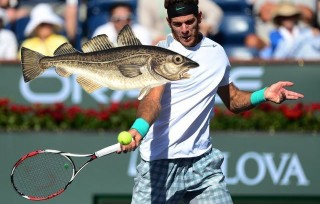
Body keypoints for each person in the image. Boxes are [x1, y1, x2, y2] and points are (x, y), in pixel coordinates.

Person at [116, 0, 304, 203]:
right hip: (160, 163)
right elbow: (152, 100)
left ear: (200, 17)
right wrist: (139, 128)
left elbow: (233, 100)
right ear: (169, 22)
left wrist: (264, 94)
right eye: (178, 24)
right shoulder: (160, 55)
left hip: (202, 164)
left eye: (189, 22)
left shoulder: (217, 53)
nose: (185, 30)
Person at [137, 0, 223, 45]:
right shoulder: (146, 1)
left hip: (190, 41)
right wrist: (159, 37)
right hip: (162, 43)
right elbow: (145, 26)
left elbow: (215, 12)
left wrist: (207, 26)